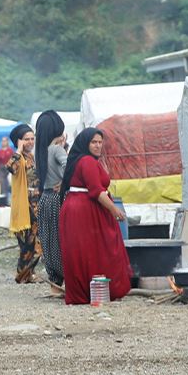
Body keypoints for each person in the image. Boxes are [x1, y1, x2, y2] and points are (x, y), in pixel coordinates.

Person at [58, 128, 131, 306]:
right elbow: (96, 191)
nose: (98, 146)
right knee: (95, 251)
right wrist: (115, 210)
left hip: (77, 209)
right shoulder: (87, 161)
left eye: (100, 142)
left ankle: (85, 291)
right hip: (84, 211)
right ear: (85, 143)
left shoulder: (79, 160)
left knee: (85, 251)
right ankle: (98, 291)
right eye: (94, 142)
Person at [34, 111, 69, 293]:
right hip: (59, 199)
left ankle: (54, 283)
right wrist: (64, 182)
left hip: (45, 200)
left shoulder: (40, 151)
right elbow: (69, 166)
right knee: (64, 240)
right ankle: (70, 278)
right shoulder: (56, 149)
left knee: (50, 242)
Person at [5, 123, 42, 283]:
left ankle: (28, 273)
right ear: (19, 141)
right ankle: (22, 275)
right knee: (27, 243)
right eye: (26, 139)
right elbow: (10, 168)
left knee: (37, 243)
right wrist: (18, 151)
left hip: (36, 204)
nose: (30, 142)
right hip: (25, 205)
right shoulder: (18, 158)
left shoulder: (32, 157)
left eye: (32, 138)